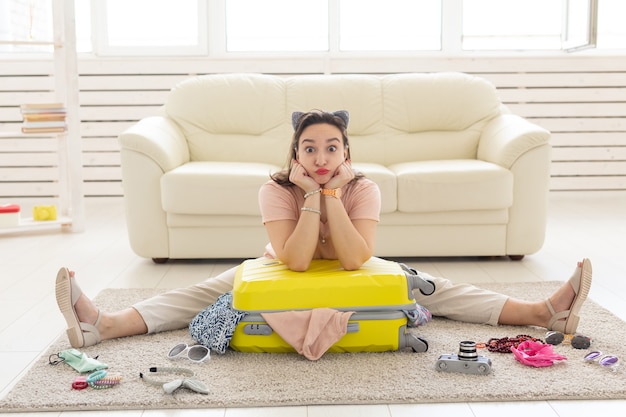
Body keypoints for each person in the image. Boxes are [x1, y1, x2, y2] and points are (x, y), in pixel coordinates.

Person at [56, 109, 593, 349]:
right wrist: (312, 195)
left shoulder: (364, 187)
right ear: (294, 154)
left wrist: (332, 193)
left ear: (346, 152)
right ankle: (103, 324)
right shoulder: (276, 188)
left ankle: (543, 312)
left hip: (350, 267)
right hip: (280, 265)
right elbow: (292, 261)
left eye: (330, 147)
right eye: (309, 148)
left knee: (438, 287)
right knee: (204, 291)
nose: (319, 155)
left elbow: (358, 259)